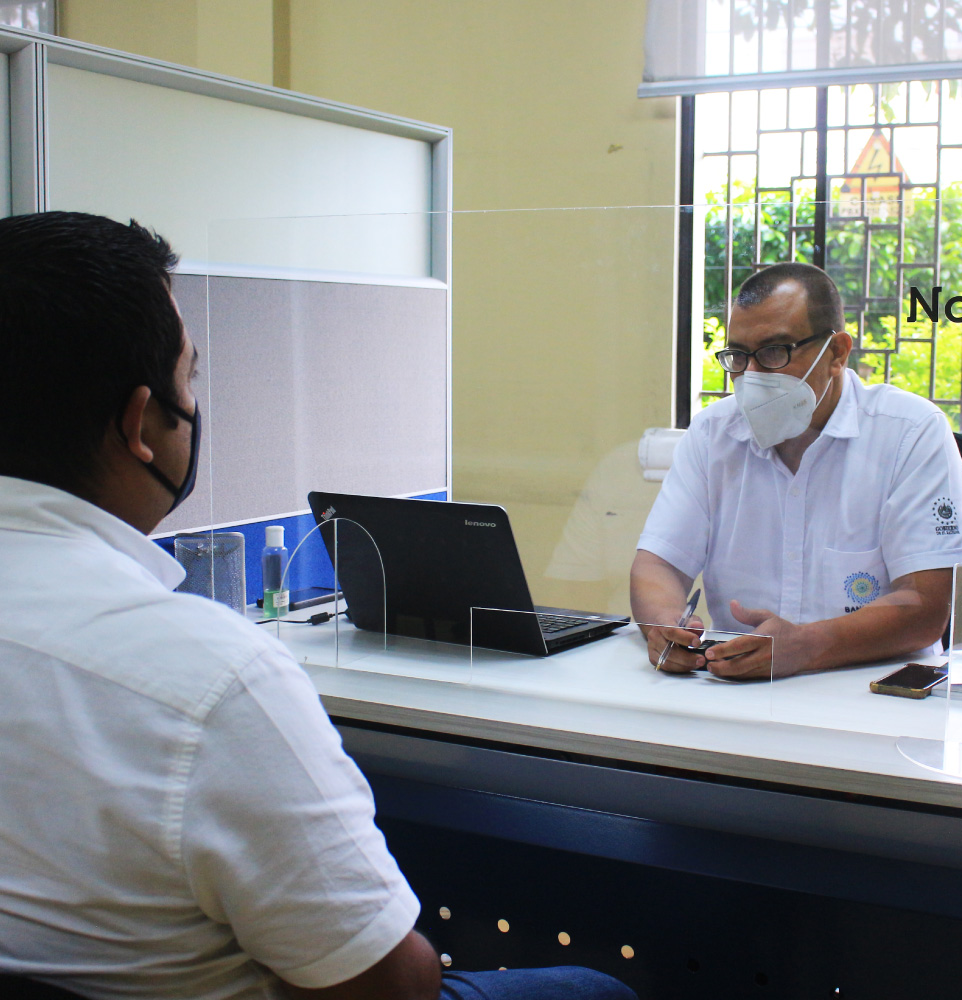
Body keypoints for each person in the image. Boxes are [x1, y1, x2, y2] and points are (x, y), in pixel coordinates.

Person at [0, 211, 637, 1000]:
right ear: (140, 425)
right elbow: (389, 990)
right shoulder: (207, 679)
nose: (195, 402)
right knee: (595, 990)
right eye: (191, 378)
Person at [631, 262, 962, 679]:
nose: (753, 376)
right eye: (739, 357)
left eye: (774, 352)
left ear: (836, 353)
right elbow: (658, 565)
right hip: (734, 686)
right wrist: (665, 624)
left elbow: (924, 606)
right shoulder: (714, 433)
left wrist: (806, 646)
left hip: (875, 694)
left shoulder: (910, 432)